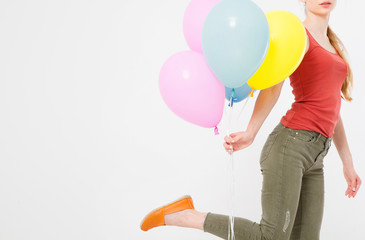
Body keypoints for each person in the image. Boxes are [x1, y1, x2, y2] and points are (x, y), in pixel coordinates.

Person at [140, 0, 362, 239]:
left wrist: (347, 163)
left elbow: (332, 106)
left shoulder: (333, 44)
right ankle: (187, 215)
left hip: (317, 154)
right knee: (271, 236)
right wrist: (250, 132)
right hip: (291, 147)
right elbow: (272, 88)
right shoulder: (297, 34)